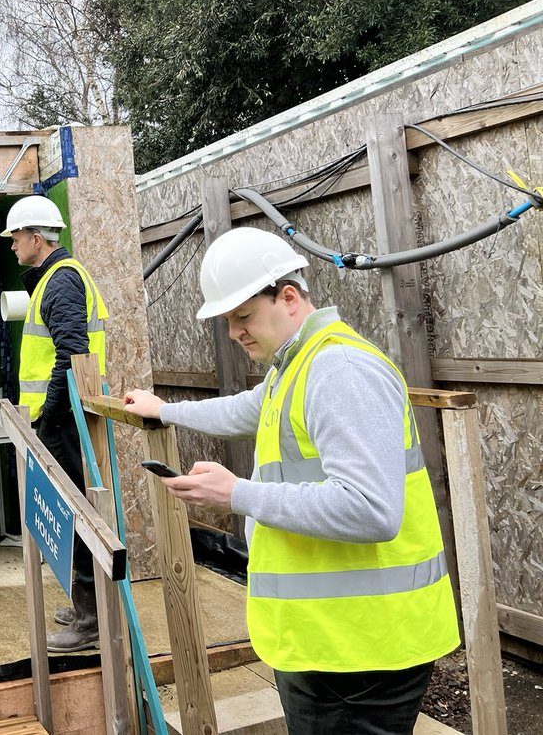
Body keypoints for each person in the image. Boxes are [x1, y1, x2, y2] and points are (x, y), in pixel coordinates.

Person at [122, 227, 459, 734]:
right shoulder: (296, 366)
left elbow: (371, 508)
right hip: (331, 641)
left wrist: (235, 493)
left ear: (288, 297)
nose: (234, 332)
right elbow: (245, 410)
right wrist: (166, 410)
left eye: (243, 316)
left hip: (360, 653)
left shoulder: (338, 369)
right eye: (228, 320)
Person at [1, 194, 109, 652]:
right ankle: (89, 604)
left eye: (16, 238)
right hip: (66, 414)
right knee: (72, 510)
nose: (12, 247)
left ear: (36, 237)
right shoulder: (57, 279)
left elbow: (70, 353)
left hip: (63, 417)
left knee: (77, 514)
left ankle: (90, 621)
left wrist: (48, 412)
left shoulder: (61, 281)